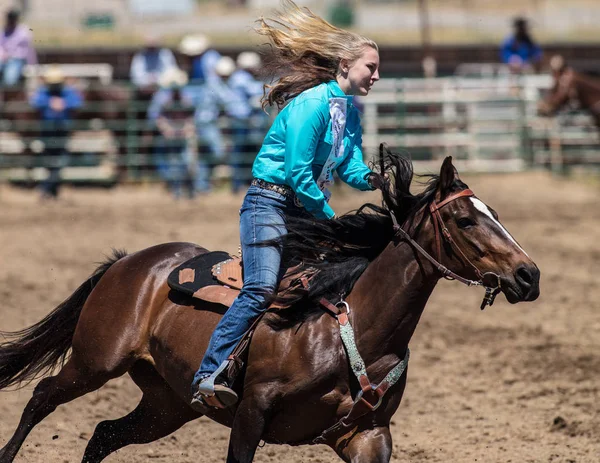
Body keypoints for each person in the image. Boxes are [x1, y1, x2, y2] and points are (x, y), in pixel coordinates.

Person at [190, 0, 382, 409]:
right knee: (260, 288)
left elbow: (349, 165)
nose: (377, 75)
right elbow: (298, 173)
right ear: (345, 65)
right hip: (270, 205)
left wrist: (373, 179)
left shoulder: (347, 111)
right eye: (371, 67)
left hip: (301, 210)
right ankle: (210, 371)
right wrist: (332, 219)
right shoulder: (312, 105)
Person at [30, 65, 83, 199]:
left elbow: (77, 102)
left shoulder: (67, 92)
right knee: (49, 160)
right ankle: (50, 189)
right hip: (47, 131)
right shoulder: (44, 92)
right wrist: (50, 103)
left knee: (61, 160)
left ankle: (47, 188)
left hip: (62, 130)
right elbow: (35, 101)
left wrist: (63, 103)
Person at [147, 67, 197, 198]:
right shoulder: (162, 98)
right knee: (174, 163)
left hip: (183, 134)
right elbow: (155, 116)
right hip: (170, 134)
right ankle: (177, 191)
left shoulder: (186, 97)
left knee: (188, 162)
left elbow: (192, 115)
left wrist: (188, 128)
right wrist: (166, 128)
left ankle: (189, 190)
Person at [227, 51, 270, 193]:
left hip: (242, 118)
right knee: (240, 150)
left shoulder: (239, 77)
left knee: (243, 150)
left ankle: (239, 183)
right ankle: (237, 183)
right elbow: (257, 92)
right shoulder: (241, 78)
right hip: (241, 119)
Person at [0, 9, 37, 86]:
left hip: (17, 59)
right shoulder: (4, 31)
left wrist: (32, 64)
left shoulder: (24, 31)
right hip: (3, 59)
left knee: (9, 80)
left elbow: (29, 49)